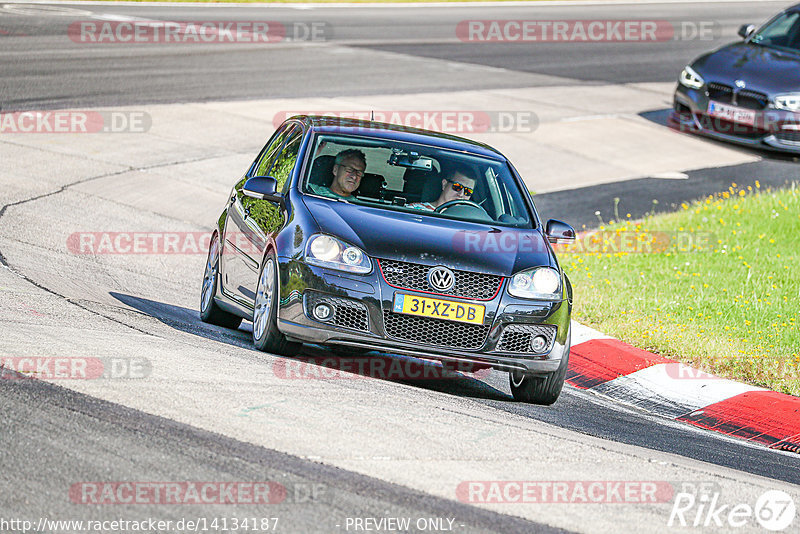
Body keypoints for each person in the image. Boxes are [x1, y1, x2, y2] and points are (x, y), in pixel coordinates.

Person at [408, 167, 476, 211]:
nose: (461, 194)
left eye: (468, 191)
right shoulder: (416, 209)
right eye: (457, 187)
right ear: (444, 184)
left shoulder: (468, 221)